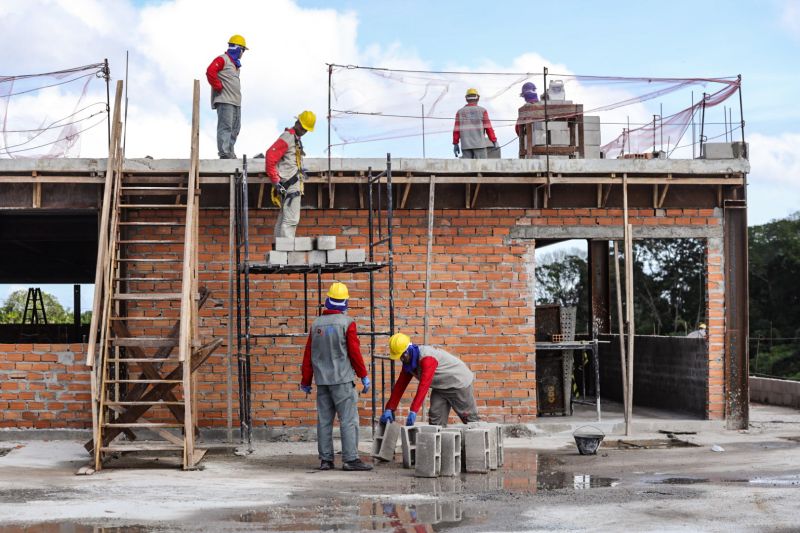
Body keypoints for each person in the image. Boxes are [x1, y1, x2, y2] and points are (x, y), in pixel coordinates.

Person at [301, 282, 373, 471]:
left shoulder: (316, 324)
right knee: (348, 420)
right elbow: (354, 353)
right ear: (345, 303)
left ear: (327, 301)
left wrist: (306, 381)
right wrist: (363, 376)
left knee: (324, 420)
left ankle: (326, 460)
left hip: (322, 382)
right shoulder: (347, 323)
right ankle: (350, 459)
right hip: (342, 382)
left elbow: (308, 354)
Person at [379, 333, 479, 427]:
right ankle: (439, 444)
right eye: (399, 357)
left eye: (402, 355)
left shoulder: (427, 358)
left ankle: (477, 442)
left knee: (469, 419)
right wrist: (390, 408)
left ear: (408, 350)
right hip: (440, 387)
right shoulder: (409, 362)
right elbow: (400, 385)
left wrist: (413, 410)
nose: (401, 359)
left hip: (458, 382)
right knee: (435, 420)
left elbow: (424, 385)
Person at [266, 111, 316, 238]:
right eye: (303, 128)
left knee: (284, 218)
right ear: (297, 123)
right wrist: (275, 180)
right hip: (290, 183)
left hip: (290, 182)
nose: (304, 132)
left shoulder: (294, 138)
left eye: (306, 130)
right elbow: (270, 156)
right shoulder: (288, 137)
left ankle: (279, 254)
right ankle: (287, 254)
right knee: (291, 220)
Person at [206, 35, 247, 159]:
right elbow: (210, 71)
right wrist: (218, 86)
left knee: (235, 128)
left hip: (235, 102)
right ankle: (224, 153)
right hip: (225, 100)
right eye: (243, 50)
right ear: (238, 48)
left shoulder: (235, 65)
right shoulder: (223, 59)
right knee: (226, 126)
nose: (243, 53)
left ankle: (229, 152)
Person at [452, 88, 497, 159]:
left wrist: (455, 143)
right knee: (482, 167)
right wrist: (494, 140)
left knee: (467, 168)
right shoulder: (482, 111)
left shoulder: (460, 112)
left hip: (466, 146)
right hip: (480, 145)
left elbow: (456, 130)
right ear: (478, 98)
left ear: (466, 99)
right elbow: (488, 128)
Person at [516, 82, 542, 157]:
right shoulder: (543, 106)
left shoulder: (525, 109)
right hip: (542, 142)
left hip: (528, 145)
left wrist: (523, 135)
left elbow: (517, 128)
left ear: (524, 96)